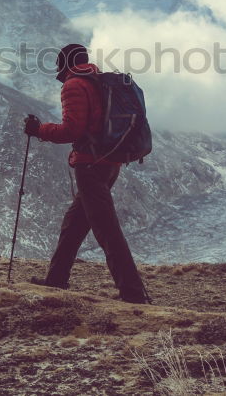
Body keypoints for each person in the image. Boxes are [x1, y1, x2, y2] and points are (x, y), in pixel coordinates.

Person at [23, 43, 149, 304]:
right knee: (74, 224)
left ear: (64, 63)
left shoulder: (74, 85)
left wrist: (38, 130)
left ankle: (133, 294)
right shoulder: (97, 81)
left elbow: (72, 130)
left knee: (107, 231)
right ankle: (56, 279)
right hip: (109, 163)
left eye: (58, 63)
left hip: (91, 165)